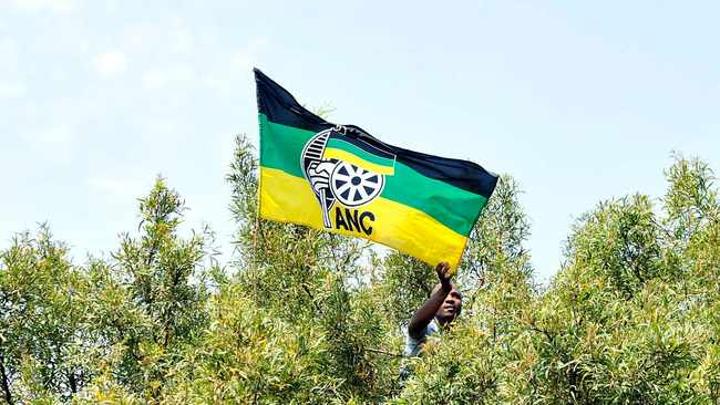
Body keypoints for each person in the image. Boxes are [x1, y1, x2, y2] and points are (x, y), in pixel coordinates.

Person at [404, 262, 463, 357]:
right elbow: (415, 326)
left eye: (455, 296)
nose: (450, 299)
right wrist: (444, 289)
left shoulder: (461, 337)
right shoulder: (427, 328)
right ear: (434, 303)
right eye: (444, 296)